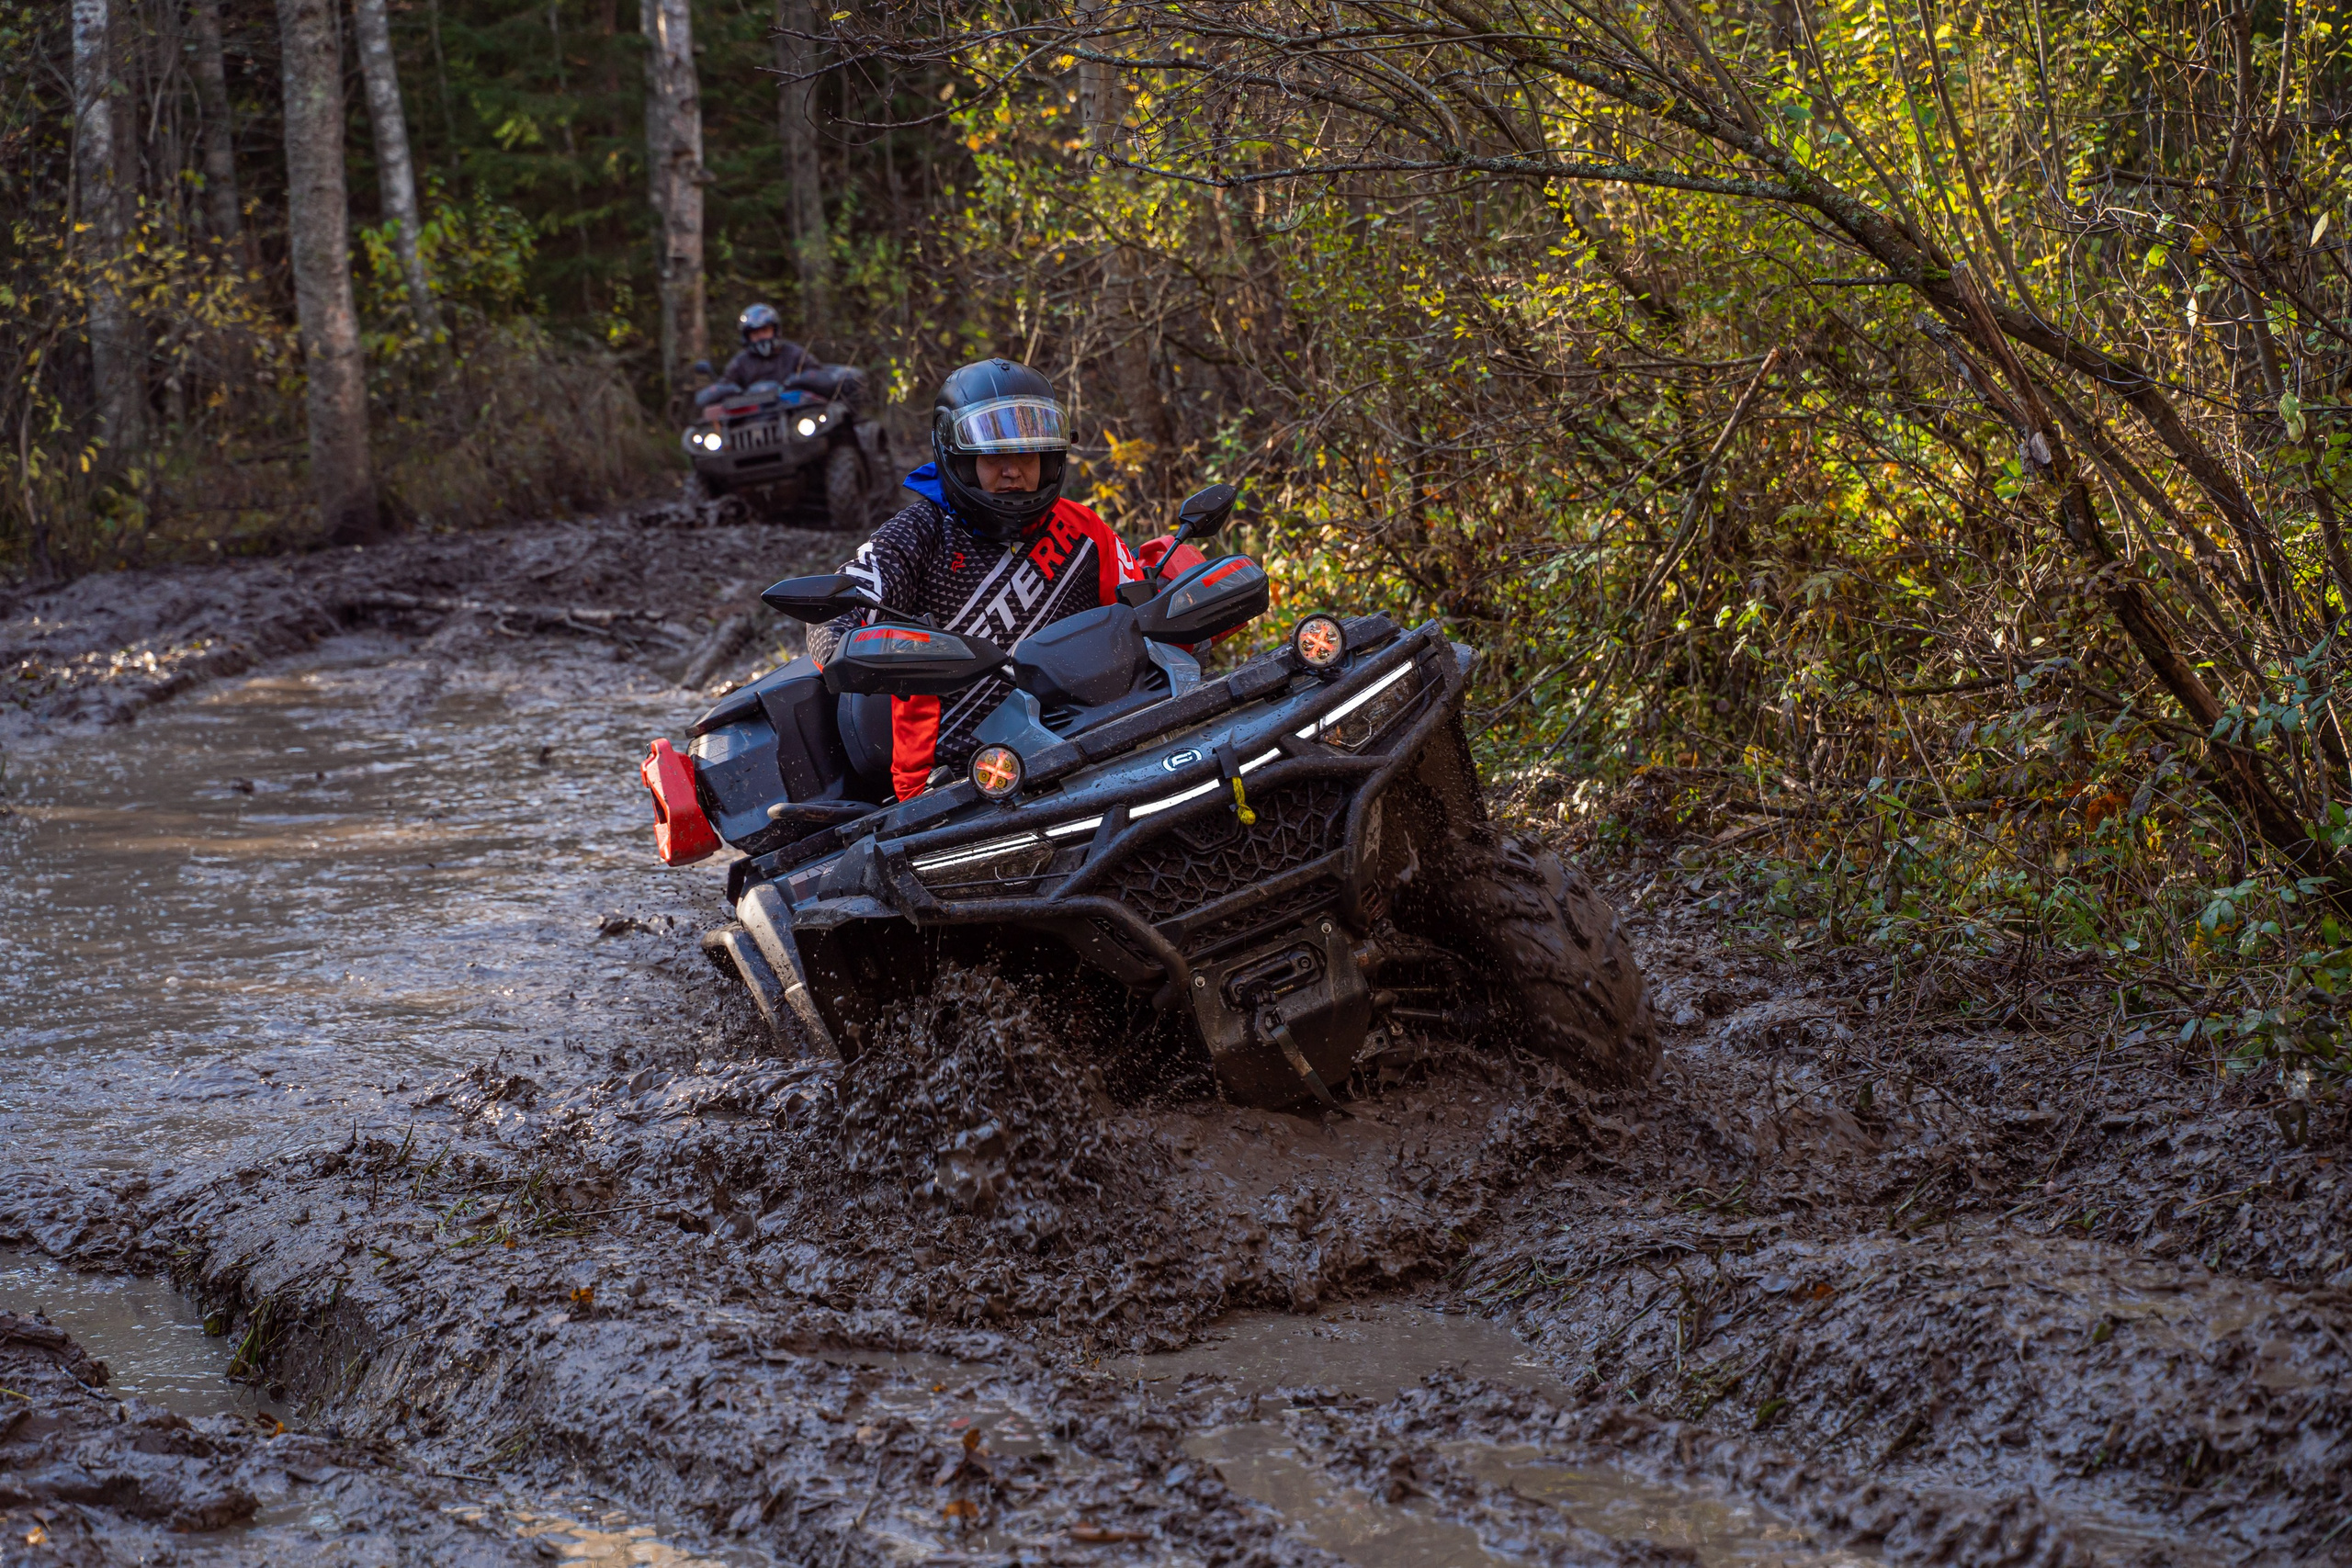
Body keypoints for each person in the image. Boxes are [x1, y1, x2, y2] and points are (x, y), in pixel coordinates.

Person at [810, 357, 1141, 801]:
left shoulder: (1083, 529)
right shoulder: (917, 535)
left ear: (1050, 457)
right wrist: (845, 649)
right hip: (958, 780)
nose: (1013, 471)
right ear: (959, 459)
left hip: (1094, 742)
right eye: (994, 455)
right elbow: (837, 610)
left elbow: (1140, 610)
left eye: (1026, 454)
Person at [721, 302, 815, 390]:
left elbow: (816, 374)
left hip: (792, 401)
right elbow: (724, 386)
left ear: (774, 331)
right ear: (747, 336)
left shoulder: (794, 353)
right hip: (754, 402)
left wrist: (799, 381)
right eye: (755, 333)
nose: (761, 336)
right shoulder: (740, 362)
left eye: (765, 330)